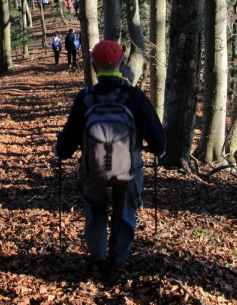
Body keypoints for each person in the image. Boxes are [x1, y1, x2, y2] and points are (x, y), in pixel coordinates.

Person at [55, 40, 166, 275]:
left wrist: (61, 152)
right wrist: (159, 150)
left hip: (93, 166)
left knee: (95, 209)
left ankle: (97, 257)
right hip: (128, 167)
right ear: (122, 64)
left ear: (94, 66)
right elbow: (156, 134)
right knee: (125, 210)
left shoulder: (85, 98)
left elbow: (68, 141)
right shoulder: (134, 96)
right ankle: (118, 261)